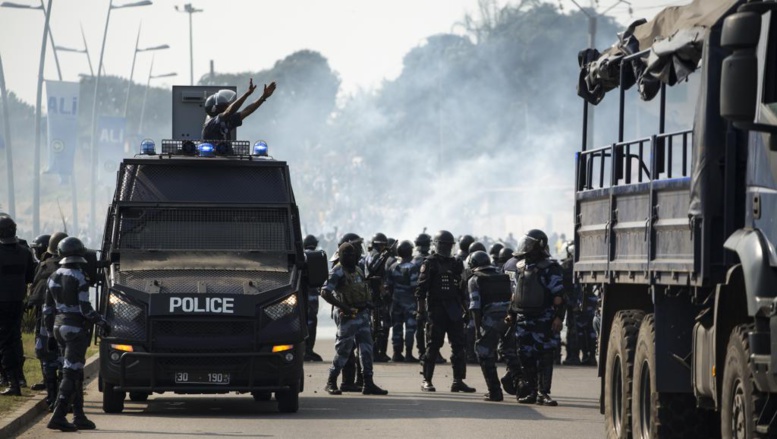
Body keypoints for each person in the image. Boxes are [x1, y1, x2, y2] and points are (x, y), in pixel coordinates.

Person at [45, 237, 111, 431]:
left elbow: (47, 309)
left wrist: (49, 334)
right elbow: (85, 309)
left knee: (75, 371)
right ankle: (58, 415)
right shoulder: (79, 276)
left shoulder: (53, 275)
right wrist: (102, 322)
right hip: (75, 329)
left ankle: (79, 415)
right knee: (71, 372)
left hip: (58, 327)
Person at [504, 229, 565, 406]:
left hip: (544, 320)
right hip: (523, 320)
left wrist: (558, 318)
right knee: (525, 356)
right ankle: (531, 391)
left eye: (529, 244)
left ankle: (543, 393)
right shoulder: (520, 266)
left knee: (545, 356)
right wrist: (510, 314)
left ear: (539, 246)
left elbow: (560, 297)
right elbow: (515, 295)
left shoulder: (550, 268)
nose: (526, 247)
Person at [320, 242, 388, 396]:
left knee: (367, 351)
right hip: (348, 317)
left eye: (352, 254)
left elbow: (361, 289)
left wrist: (369, 303)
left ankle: (368, 382)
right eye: (347, 255)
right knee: (343, 351)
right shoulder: (337, 272)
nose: (350, 257)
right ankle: (331, 381)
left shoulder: (358, 270)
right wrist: (343, 307)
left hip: (363, 315)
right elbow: (325, 292)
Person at [416, 230, 476, 393]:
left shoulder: (456, 263)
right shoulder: (430, 263)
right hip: (436, 310)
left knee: (459, 346)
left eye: (449, 245)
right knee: (433, 345)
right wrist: (421, 312)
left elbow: (461, 288)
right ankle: (426, 380)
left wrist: (466, 309)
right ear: (437, 245)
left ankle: (458, 380)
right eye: (444, 245)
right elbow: (421, 290)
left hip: (454, 310)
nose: (447, 248)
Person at [467, 251, 522, 402]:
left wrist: (478, 330)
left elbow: (475, 306)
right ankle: (522, 389)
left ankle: (495, 392)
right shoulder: (502, 276)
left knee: (484, 353)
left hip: (490, 320)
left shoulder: (475, 279)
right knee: (510, 352)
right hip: (508, 318)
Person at [27, 232, 68, 406]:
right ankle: (65, 397)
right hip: (66, 320)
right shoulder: (74, 268)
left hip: (47, 318)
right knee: (64, 359)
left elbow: (36, 296)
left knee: (47, 356)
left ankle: (53, 397)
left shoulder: (46, 266)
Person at [0, 215, 36, 397]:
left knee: (5, 343)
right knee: (15, 339)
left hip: (2, 303)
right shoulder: (24, 252)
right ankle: (18, 378)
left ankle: (12, 381)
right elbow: (31, 276)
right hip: (17, 301)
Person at [201, 78, 276, 141]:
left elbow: (247, 110)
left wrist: (263, 97)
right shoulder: (211, 124)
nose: (227, 106)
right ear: (215, 109)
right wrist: (246, 94)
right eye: (224, 106)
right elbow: (229, 111)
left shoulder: (226, 121)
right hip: (213, 158)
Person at [385, 240, 420, 362]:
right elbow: (415, 287)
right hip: (409, 303)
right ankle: (409, 354)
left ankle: (396, 353)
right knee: (410, 329)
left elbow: (388, 286)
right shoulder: (413, 268)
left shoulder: (393, 266)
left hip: (396, 302)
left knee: (397, 328)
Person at [364, 233, 392, 363]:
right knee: (379, 325)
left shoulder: (371, 255)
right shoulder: (376, 256)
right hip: (376, 293)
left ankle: (376, 351)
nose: (384, 247)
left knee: (375, 324)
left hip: (372, 293)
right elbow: (374, 272)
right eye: (382, 244)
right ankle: (377, 352)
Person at [303, 234, 324, 362]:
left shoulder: (300, 256)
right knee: (311, 323)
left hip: (300, 295)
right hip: (313, 297)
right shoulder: (317, 256)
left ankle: (304, 350)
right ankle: (309, 350)